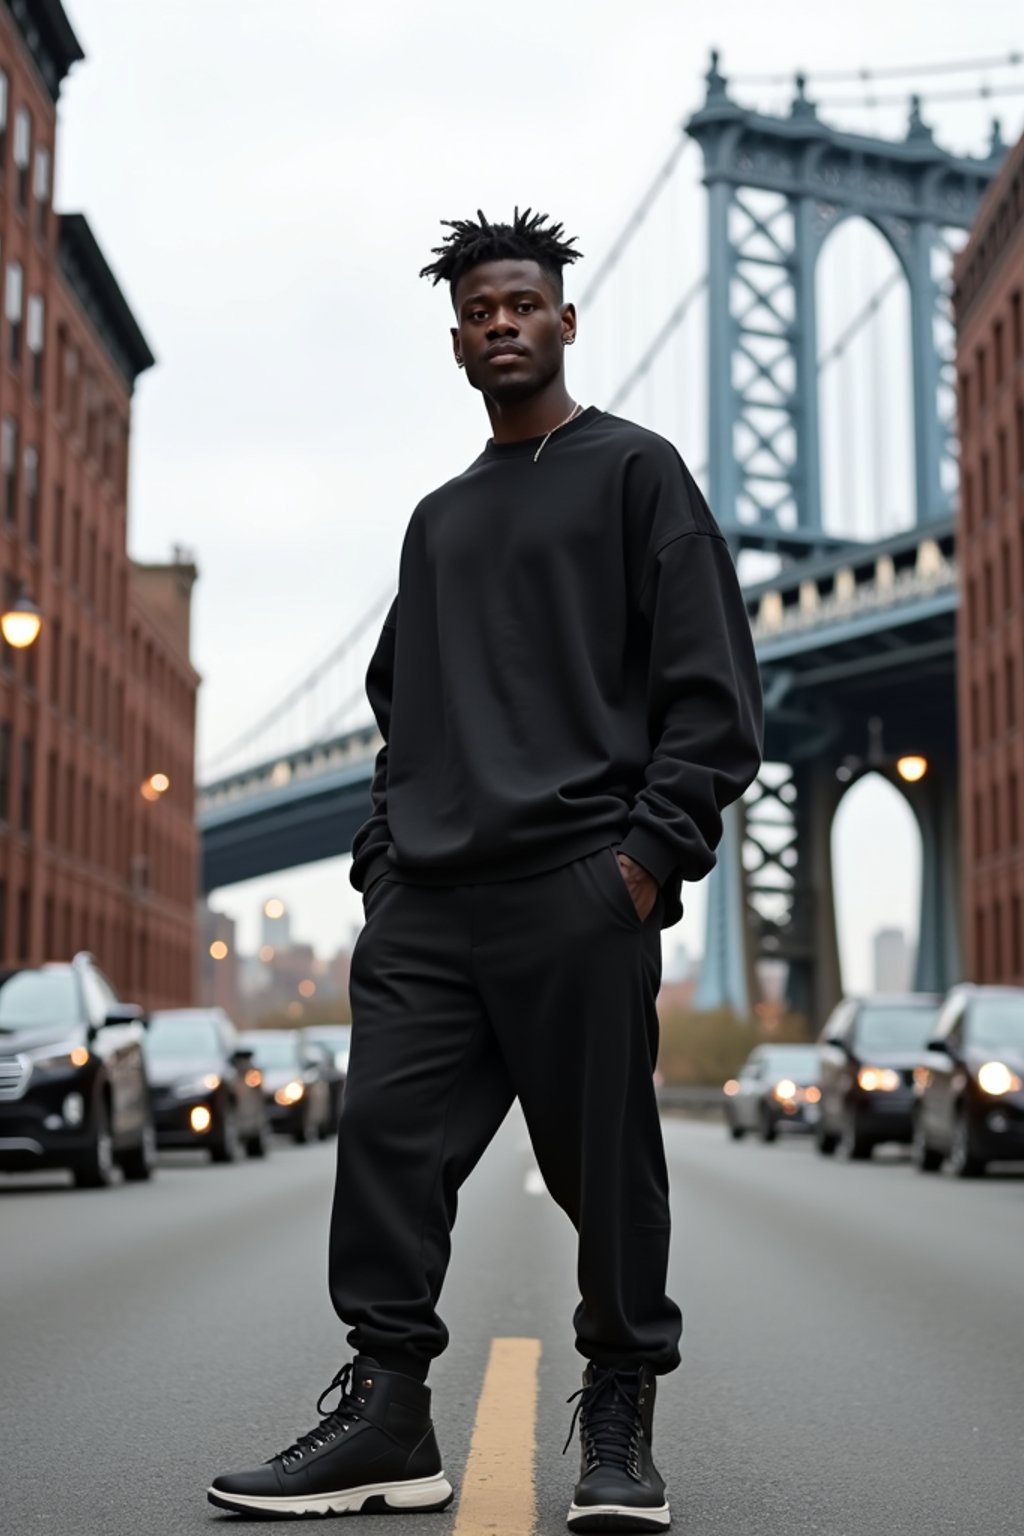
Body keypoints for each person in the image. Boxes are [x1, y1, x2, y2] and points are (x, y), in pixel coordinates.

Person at [209, 208, 763, 1531]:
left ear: (566, 320)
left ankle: (620, 1420)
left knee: (606, 1174)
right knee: (386, 1152)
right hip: (430, 910)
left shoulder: (642, 476)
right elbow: (402, 703)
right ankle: (388, 1417)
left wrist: (642, 862)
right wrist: (384, 863)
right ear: (454, 337)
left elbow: (715, 699)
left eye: (522, 305)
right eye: (477, 311)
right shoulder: (439, 522)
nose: (500, 324)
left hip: (581, 889)